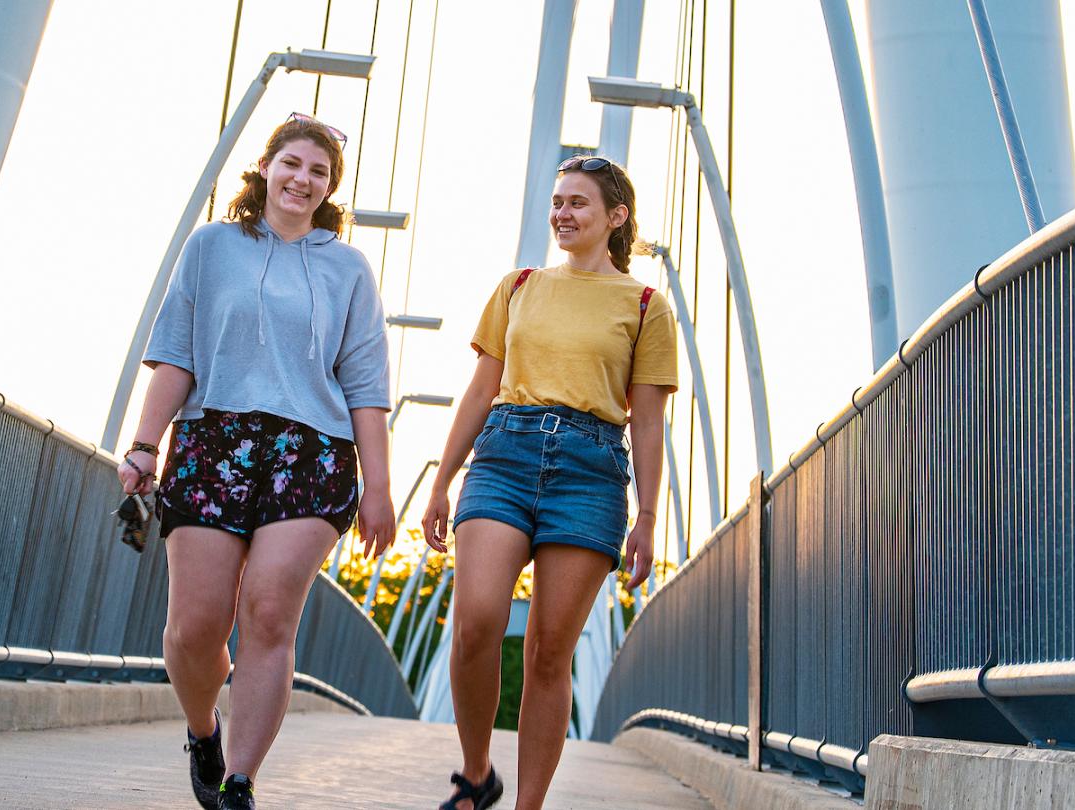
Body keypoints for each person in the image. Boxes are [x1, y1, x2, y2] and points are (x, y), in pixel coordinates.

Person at [118, 113, 397, 810]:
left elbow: (365, 387)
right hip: (214, 445)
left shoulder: (348, 268)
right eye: (293, 164)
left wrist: (379, 488)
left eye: (320, 172)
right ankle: (202, 729)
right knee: (194, 628)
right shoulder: (212, 246)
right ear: (266, 168)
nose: (303, 180)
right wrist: (146, 445)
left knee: (269, 615)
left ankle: (239, 781)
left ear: (331, 188)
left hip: (312, 457)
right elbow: (176, 353)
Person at [418, 155, 675, 810]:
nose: (562, 213)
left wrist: (648, 516)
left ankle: (528, 805)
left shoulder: (646, 307)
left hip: (590, 473)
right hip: (504, 456)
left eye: (578, 203)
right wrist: (442, 481)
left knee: (550, 652)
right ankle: (477, 776)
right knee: (476, 621)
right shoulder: (519, 287)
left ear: (615, 217)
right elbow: (480, 390)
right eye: (558, 202)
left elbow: (647, 421)